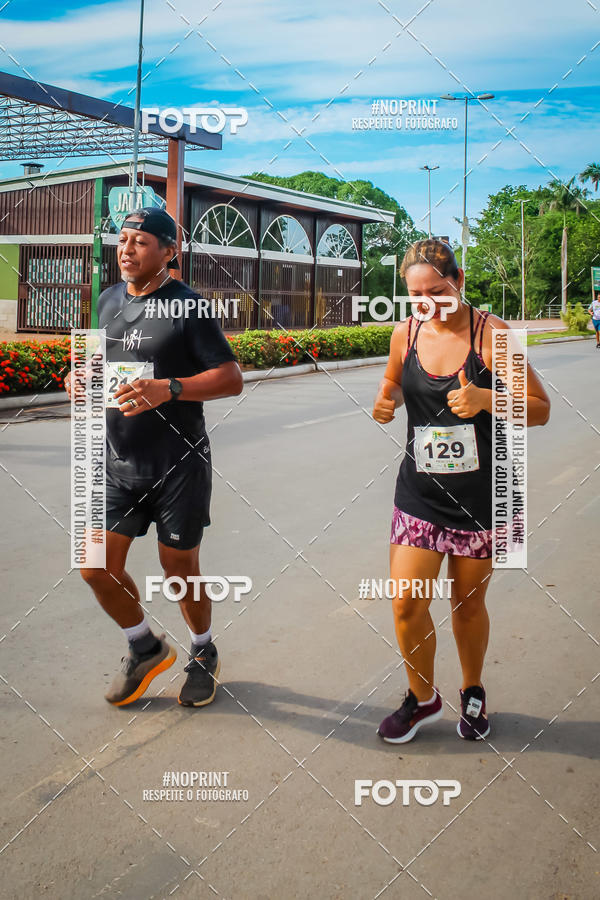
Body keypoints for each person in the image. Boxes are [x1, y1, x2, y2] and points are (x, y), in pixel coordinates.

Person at [372, 239, 550, 743]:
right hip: (420, 492)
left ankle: (473, 689)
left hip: (486, 496)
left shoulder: (491, 335)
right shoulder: (405, 333)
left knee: (467, 605)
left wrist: (488, 398)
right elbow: (392, 384)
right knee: (407, 603)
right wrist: (385, 401)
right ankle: (421, 697)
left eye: (438, 291)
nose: (428, 304)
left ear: (460, 280)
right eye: (416, 295)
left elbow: (540, 409)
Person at [65, 208, 243, 708]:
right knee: (93, 565)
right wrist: (78, 378)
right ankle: (143, 644)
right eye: (122, 240)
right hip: (117, 459)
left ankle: (203, 651)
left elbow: (230, 378)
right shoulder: (108, 300)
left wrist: (171, 388)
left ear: (169, 251)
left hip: (177, 465)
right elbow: (96, 362)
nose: (127, 249)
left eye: (141, 241)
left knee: (179, 569)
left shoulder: (189, 307)